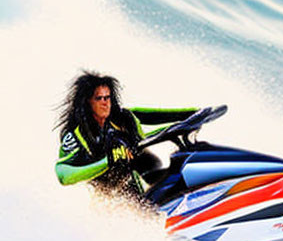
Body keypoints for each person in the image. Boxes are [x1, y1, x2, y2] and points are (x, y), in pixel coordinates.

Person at [54, 71, 198, 199]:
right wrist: (107, 161)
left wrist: (191, 115)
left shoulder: (120, 118)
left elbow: (149, 117)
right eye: (99, 98)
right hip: (111, 197)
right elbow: (63, 175)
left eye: (108, 97)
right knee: (120, 149)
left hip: (136, 177)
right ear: (88, 102)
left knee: (143, 155)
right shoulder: (75, 135)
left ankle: (180, 191)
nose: (105, 103)